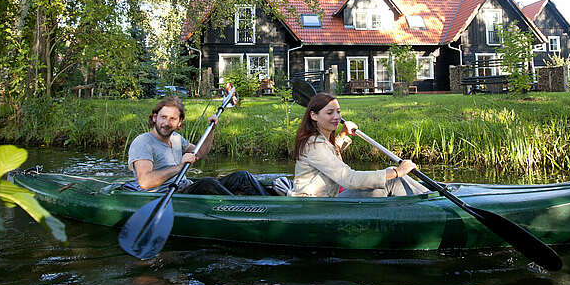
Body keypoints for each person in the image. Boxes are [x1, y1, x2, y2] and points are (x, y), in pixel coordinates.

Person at [288, 92, 428, 197]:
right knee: (393, 179)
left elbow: (329, 154)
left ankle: (430, 198)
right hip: (316, 205)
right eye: (330, 113)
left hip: (329, 197)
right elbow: (349, 179)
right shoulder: (313, 144)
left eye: (338, 112)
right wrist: (397, 172)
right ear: (314, 116)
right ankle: (432, 205)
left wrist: (343, 135)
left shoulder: (319, 139)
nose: (337, 117)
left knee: (393, 176)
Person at [127, 96, 265, 195]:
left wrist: (211, 130)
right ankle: (241, 211)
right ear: (154, 117)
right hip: (167, 195)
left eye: (173, 119)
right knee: (208, 184)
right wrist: (179, 168)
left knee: (242, 177)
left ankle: (272, 206)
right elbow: (145, 182)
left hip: (184, 187)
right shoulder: (143, 142)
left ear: (179, 122)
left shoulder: (176, 138)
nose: (167, 123)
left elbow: (200, 153)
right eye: (163, 117)